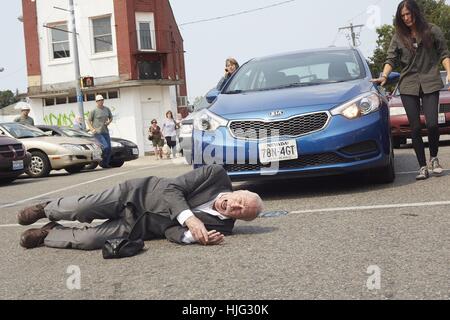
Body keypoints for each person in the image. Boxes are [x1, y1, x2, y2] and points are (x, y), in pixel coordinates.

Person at [17, 165, 264, 250]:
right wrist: (191, 221)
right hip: (135, 194)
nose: (235, 207)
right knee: (84, 208)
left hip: (139, 226)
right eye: (239, 201)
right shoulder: (215, 174)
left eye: (241, 212)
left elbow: (169, 231)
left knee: (89, 239)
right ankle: (46, 209)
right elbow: (172, 190)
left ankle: (48, 233)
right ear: (237, 190)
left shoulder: (223, 227)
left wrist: (192, 237)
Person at [371, 0, 450, 180]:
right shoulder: (398, 36)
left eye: (409, 14)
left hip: (430, 81)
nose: (406, 18)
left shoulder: (432, 30)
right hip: (408, 85)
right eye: (403, 16)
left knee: (431, 124)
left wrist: (449, 73)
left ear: (415, 12)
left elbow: (444, 53)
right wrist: (384, 76)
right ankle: (422, 166)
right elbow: (390, 59)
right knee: (414, 128)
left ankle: (435, 158)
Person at [87, 95, 113, 168]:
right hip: (97, 132)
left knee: (109, 149)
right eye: (99, 100)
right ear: (96, 102)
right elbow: (88, 121)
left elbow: (111, 117)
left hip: (105, 131)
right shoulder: (93, 111)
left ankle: (105, 164)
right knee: (105, 147)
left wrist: (108, 122)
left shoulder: (107, 109)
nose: (101, 101)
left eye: (102, 100)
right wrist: (92, 129)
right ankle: (100, 161)